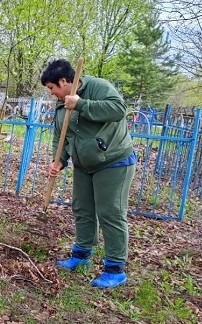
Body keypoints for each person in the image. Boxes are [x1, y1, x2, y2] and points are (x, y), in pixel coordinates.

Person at [41, 59, 136, 289]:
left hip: (113, 161)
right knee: (82, 208)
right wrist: (59, 160)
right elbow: (60, 136)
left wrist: (82, 104)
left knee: (110, 213)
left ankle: (115, 269)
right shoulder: (61, 103)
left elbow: (118, 110)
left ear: (64, 81)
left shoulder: (98, 87)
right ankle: (81, 255)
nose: (52, 93)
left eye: (53, 88)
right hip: (84, 164)